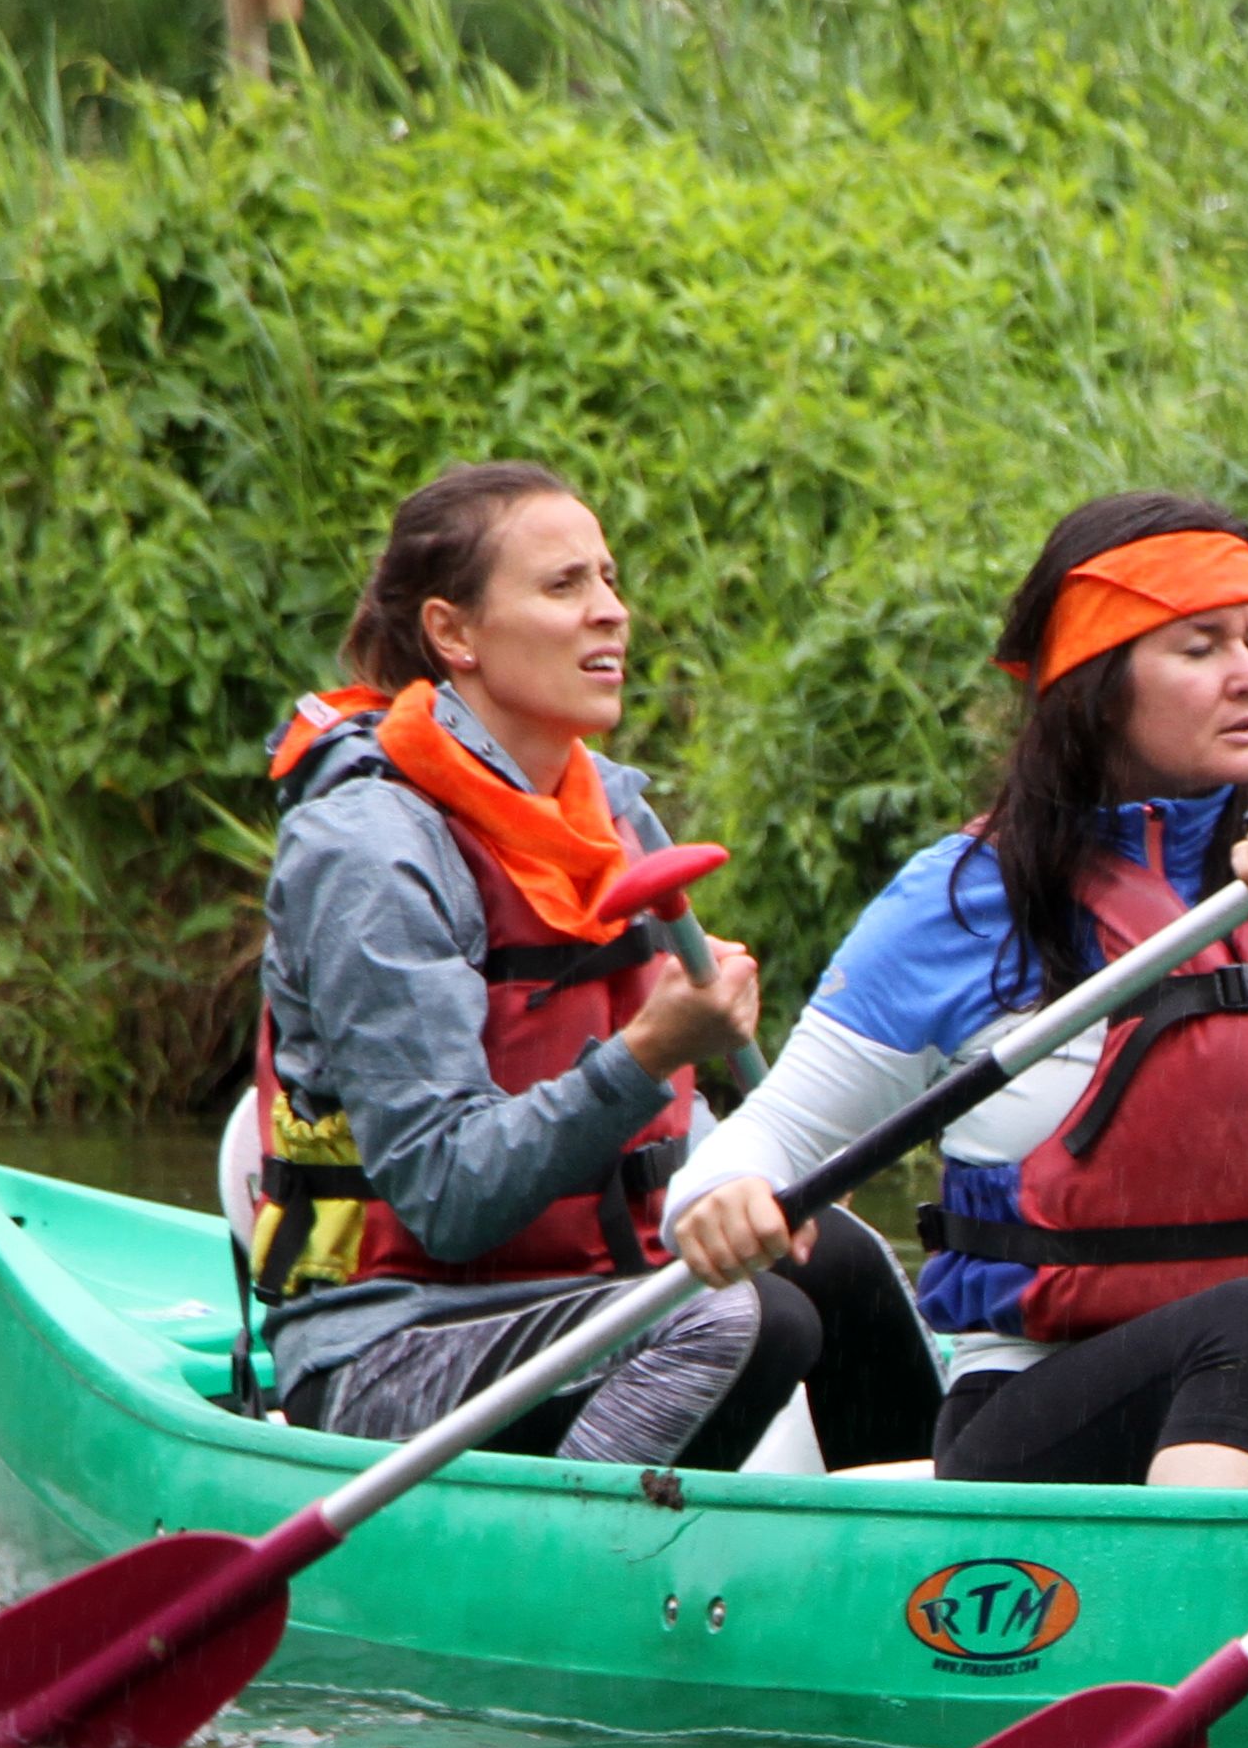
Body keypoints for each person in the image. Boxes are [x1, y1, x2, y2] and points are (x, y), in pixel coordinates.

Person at [662, 491, 1248, 1490]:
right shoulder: (964, 901)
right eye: (1200, 648)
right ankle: (1210, 1594)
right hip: (1046, 1419)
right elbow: (774, 1136)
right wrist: (718, 1194)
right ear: (1095, 689)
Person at [245, 461, 935, 1472]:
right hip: (394, 1345)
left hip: (599, 1293)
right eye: (564, 585)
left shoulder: (612, 812)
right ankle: (578, 1552)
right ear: (454, 633)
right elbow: (446, 1196)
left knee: (839, 1258)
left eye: (608, 579)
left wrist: (740, 1177)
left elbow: (673, 1133)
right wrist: (647, 1052)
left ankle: (936, 1555)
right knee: (741, 1318)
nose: (611, 611)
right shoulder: (370, 849)